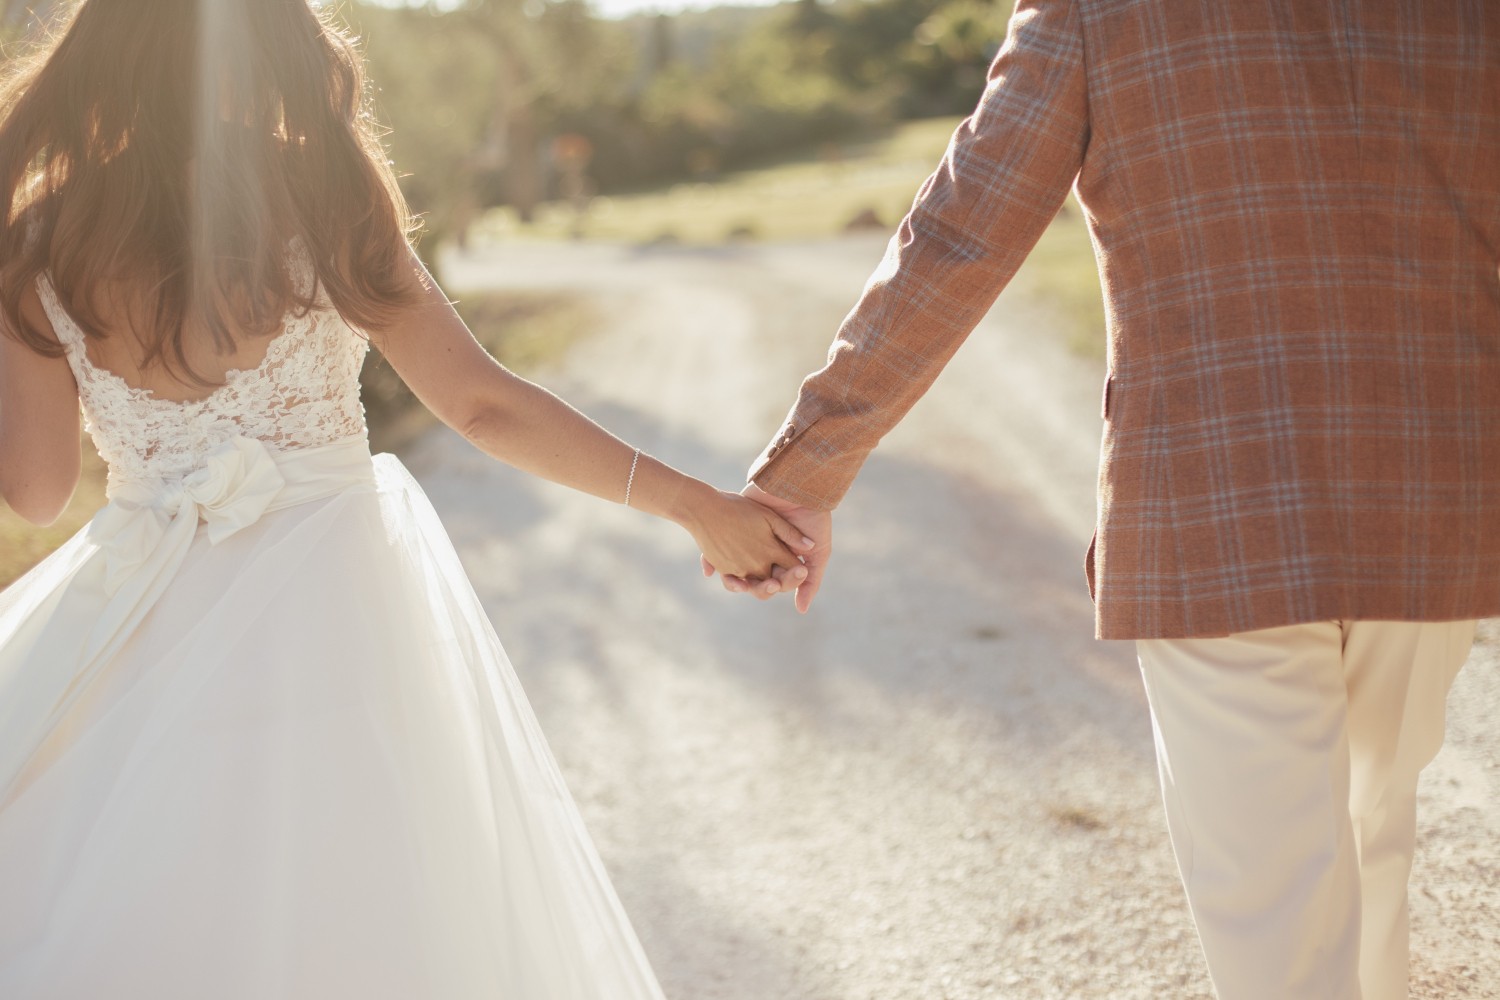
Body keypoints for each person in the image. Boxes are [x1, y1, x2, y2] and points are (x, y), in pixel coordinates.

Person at [0, 1, 810, 996]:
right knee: (361, 905)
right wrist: (698, 506)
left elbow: (36, 491)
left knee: (150, 905)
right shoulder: (317, 187)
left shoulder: (40, 235)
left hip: (140, 614)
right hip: (333, 608)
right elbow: (483, 406)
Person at [714, 1, 1500, 997]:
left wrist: (804, 470)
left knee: (1278, 917)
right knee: (1372, 833)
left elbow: (964, 229)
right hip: (1441, 484)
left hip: (1216, 497)